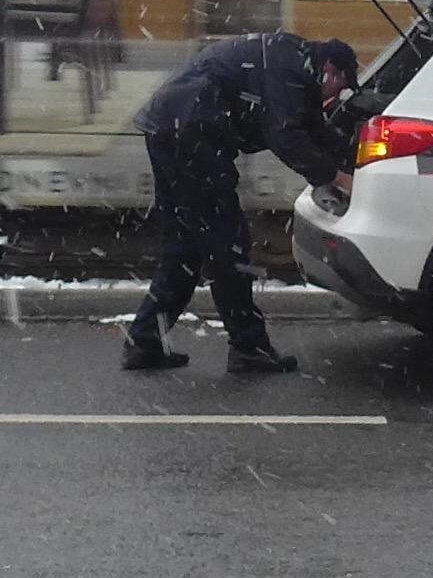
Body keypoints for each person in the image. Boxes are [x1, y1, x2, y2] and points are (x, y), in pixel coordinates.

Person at [123, 31, 360, 375]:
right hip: (192, 133)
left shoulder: (296, 66)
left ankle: (144, 340)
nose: (338, 94)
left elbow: (311, 127)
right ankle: (248, 347)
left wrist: (350, 158)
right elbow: (287, 137)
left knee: (186, 246)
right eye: (340, 85)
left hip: (173, 126)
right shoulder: (289, 68)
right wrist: (339, 180)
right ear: (330, 70)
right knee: (226, 246)